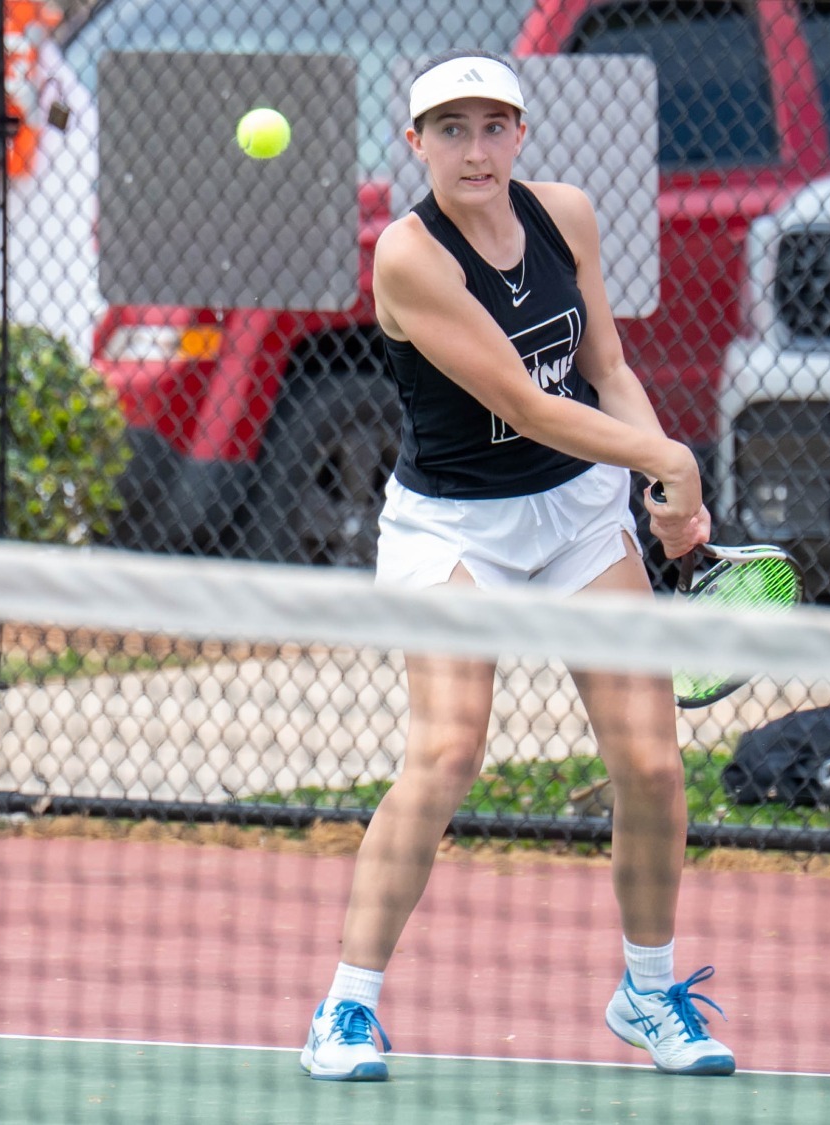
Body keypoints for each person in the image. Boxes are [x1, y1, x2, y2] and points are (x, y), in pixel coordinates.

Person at [299, 51, 735, 1082]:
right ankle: (345, 1010)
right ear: (416, 146)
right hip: (453, 532)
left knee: (650, 762)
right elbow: (529, 407)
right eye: (449, 130)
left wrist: (671, 496)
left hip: (576, 512)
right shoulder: (409, 258)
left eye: (492, 126)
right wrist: (666, 460)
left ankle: (645, 990)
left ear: (520, 135)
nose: (474, 148)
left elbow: (604, 371)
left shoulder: (565, 215)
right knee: (446, 752)